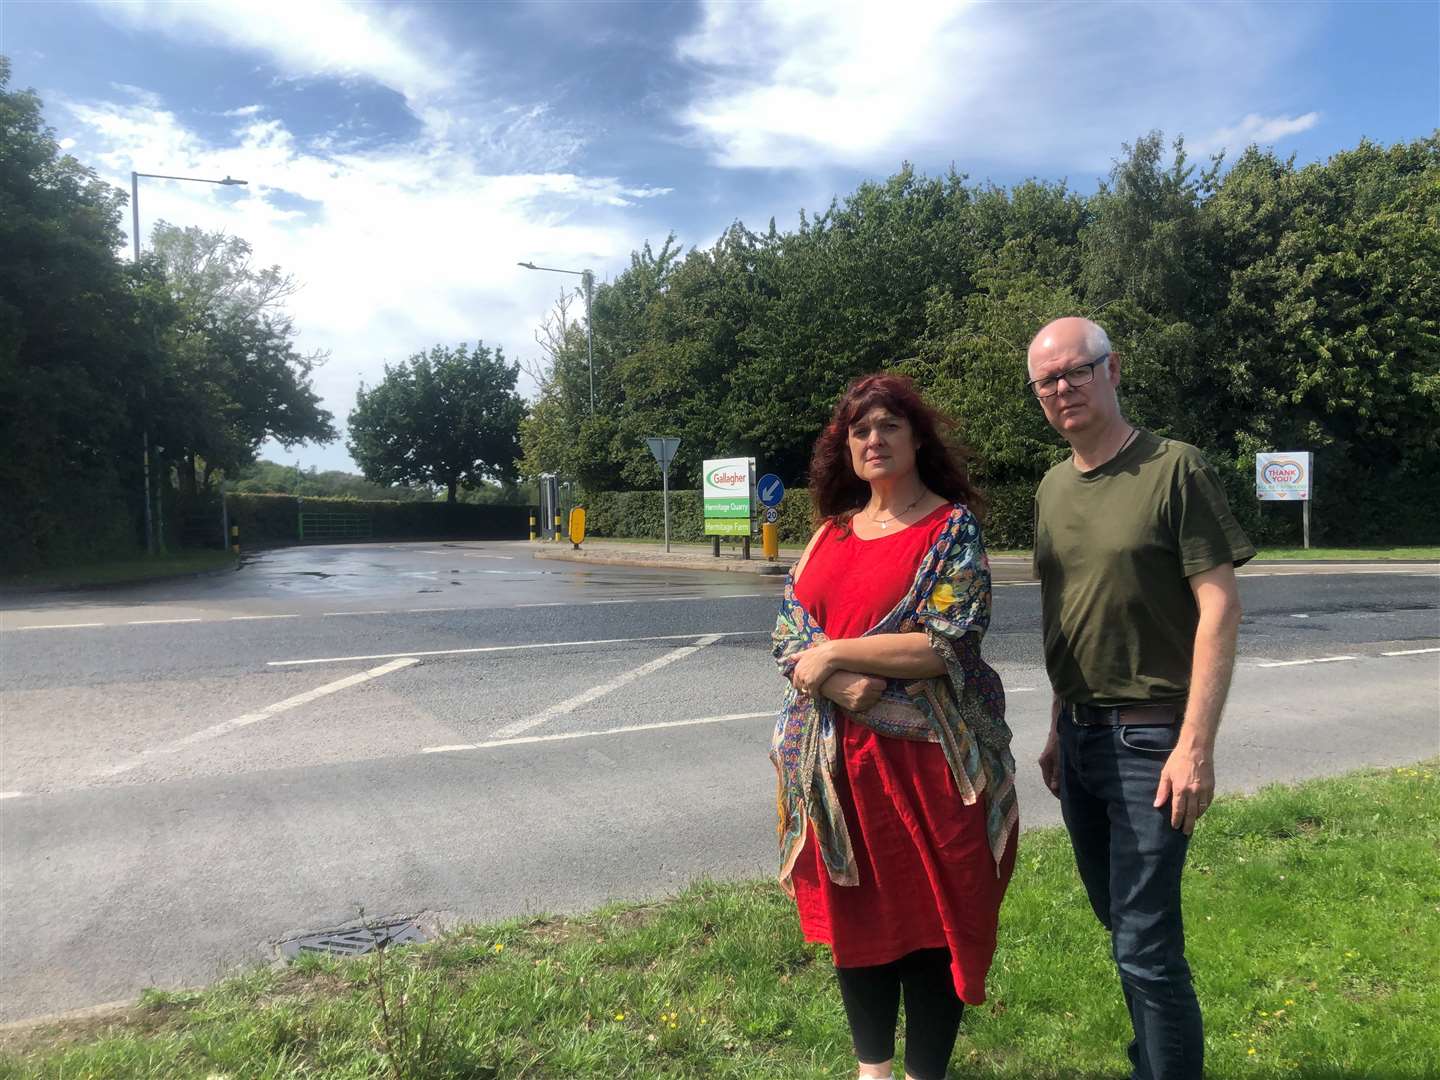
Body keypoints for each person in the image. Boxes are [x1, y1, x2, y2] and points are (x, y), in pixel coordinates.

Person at [771, 373, 1019, 1080]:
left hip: (929, 771)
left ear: (916, 439)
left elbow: (948, 641)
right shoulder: (828, 535)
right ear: (843, 449)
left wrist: (835, 654)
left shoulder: (950, 529)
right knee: (861, 926)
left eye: (887, 427)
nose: (873, 440)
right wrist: (838, 678)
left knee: (932, 924)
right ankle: (872, 1071)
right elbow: (787, 634)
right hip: (837, 775)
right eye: (859, 430)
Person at [1027, 317, 1254, 1080]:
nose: (1062, 389)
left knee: (1147, 946)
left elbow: (1219, 604)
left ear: (1112, 369)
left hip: (1152, 742)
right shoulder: (1052, 488)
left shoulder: (1174, 468)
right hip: (1082, 740)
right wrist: (1058, 727)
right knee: (1121, 927)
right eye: (1047, 381)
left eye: (1075, 371)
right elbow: (1069, 615)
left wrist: (1196, 746)